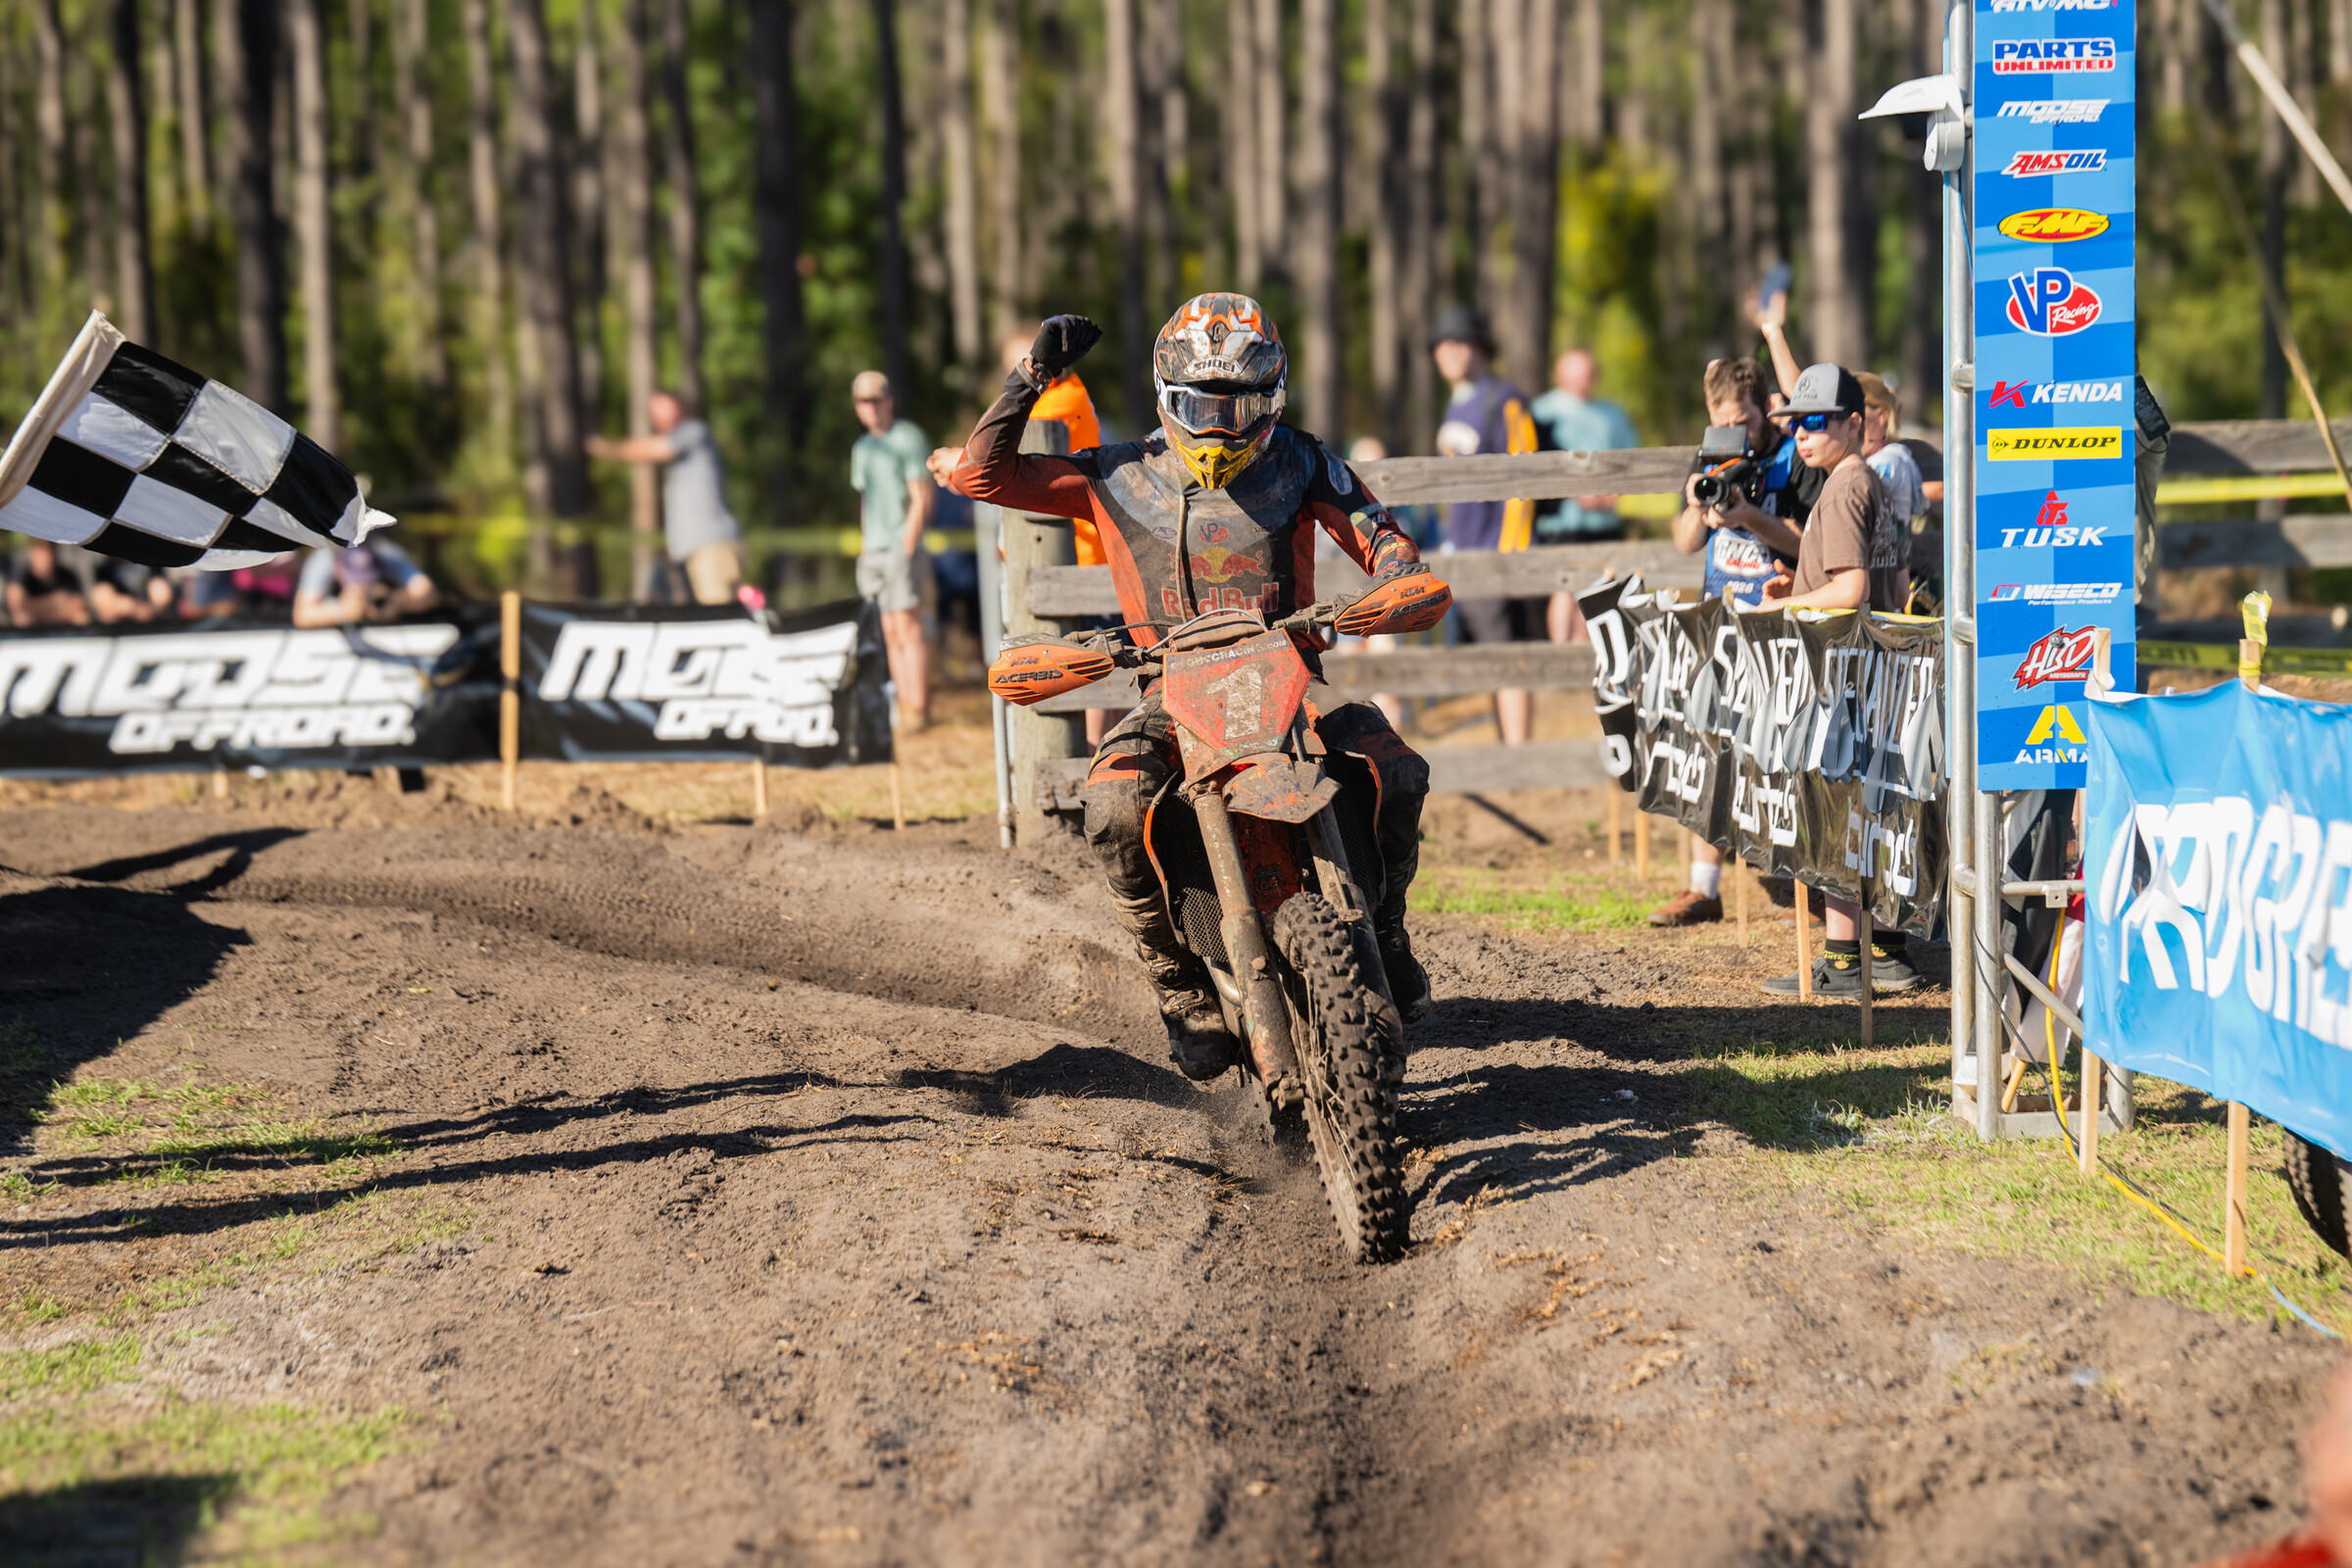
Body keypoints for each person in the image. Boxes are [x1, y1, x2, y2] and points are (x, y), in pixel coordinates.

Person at [945, 298, 1440, 1082]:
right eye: (1202, 405)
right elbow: (979, 473)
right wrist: (1033, 373)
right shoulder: (1113, 470)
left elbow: (1383, 536)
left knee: (1399, 768)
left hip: (1291, 680)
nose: (1219, 424)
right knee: (1111, 807)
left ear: (1271, 398)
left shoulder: (1305, 461)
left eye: (1238, 405)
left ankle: (1388, 924)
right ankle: (1177, 985)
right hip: (1165, 690)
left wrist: (1400, 577)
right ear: (1166, 398)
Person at [1755, 363, 1918, 999]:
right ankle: (1886, 949)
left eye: (1816, 422)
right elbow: (1893, 587)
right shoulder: (1868, 483)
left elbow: (1850, 591)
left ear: (1855, 423)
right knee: (1868, 813)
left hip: (1843, 675)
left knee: (1836, 817)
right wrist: (1799, 586)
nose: (1801, 433)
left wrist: (1779, 606)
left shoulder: (1845, 487)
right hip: (1873, 670)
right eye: (1795, 422)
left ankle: (1845, 964)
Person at [1651, 352, 1823, 927]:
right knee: (1708, 747)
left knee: (1783, 757)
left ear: (1765, 408)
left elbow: (1809, 546)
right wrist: (1703, 502)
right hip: (1721, 624)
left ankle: (1808, 880)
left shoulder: (1793, 455)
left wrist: (1748, 515)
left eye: (1744, 419)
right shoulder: (1712, 448)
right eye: (1723, 417)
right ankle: (1703, 888)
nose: (1735, 431)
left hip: (1780, 626)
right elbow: (1682, 542)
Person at [1429, 305, 1544, 746]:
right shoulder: (1455, 405)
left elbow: (1527, 472)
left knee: (1507, 653)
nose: (1447, 353)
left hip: (1497, 551)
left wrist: (1510, 547)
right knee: (1487, 653)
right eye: (1440, 345)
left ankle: (1516, 752)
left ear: (1478, 347)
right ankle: (1505, 747)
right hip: (1462, 549)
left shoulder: (1504, 399)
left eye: (1456, 343)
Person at [584, 390, 745, 606]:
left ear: (680, 407)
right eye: (654, 412)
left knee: (720, 619)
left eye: (663, 408)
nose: (658, 417)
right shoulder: (683, 457)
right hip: (691, 552)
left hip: (712, 548)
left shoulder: (694, 431)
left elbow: (656, 449)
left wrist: (608, 449)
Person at [1530, 345, 1641, 644]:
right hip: (1562, 524)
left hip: (1604, 523)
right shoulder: (1541, 411)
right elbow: (1535, 464)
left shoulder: (1612, 415)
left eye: (1587, 371)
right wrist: (1577, 494)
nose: (1582, 378)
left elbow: (1631, 461)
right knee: (1565, 587)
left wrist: (1613, 495)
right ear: (1560, 373)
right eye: (1574, 371)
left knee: (1597, 590)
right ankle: (1562, 656)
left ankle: (1586, 658)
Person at [849, 368, 936, 732]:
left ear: (889, 400)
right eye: (863, 401)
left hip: (902, 546)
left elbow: (921, 496)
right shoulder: (862, 447)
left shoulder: (907, 438)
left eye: (876, 399)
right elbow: (866, 499)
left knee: (909, 627)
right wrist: (866, 545)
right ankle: (903, 704)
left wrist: (907, 545)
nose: (870, 407)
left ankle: (918, 706)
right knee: (889, 631)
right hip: (876, 550)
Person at [291, 538, 441, 628]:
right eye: (356, 580)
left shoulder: (383, 551)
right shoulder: (326, 557)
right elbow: (302, 614)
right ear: (339, 571)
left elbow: (429, 594)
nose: (363, 587)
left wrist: (395, 601)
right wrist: (342, 611)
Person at [6, 539, 91, 627]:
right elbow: (19, 611)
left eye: (51, 550)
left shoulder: (66, 574)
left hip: (62, 628)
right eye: (42, 552)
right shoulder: (22, 576)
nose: (48, 556)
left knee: (81, 617)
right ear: (32, 553)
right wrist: (55, 602)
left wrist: (44, 612)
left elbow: (79, 604)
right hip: (33, 632)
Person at [89, 559, 176, 623]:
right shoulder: (105, 569)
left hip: (154, 628)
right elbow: (103, 603)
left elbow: (161, 598)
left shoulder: (153, 566)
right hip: (119, 630)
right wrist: (134, 608)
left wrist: (148, 609)